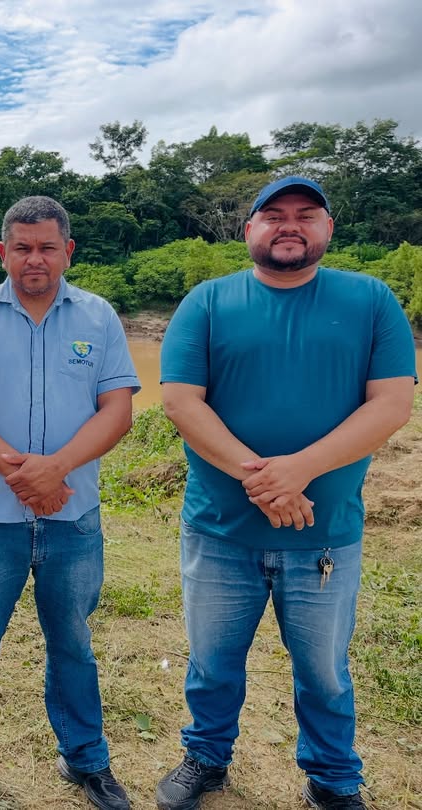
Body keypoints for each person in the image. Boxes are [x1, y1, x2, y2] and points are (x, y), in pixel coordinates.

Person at [156, 176, 417, 810]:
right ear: (249, 231)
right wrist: (264, 477)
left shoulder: (372, 300)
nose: (289, 225)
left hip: (324, 533)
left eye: (306, 214)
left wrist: (299, 469)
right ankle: (206, 756)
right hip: (220, 530)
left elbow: (392, 404)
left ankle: (332, 779)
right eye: (273, 215)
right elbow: (181, 402)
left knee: (325, 672)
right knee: (213, 662)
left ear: (329, 229)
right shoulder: (208, 302)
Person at [0, 196, 140, 810]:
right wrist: (22, 475)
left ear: (68, 250)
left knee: (71, 639)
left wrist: (57, 470)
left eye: (47, 247)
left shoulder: (99, 319)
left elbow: (118, 409)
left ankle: (86, 760)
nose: (35, 259)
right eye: (22, 247)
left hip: (73, 519)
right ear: (4, 252)